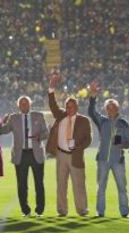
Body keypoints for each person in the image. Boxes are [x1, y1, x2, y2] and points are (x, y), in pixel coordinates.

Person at [46, 73, 92, 217]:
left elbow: (88, 139)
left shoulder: (84, 120)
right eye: (67, 106)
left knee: (79, 185)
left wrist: (77, 146)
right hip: (61, 155)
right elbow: (52, 104)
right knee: (61, 185)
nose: (69, 109)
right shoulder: (61, 115)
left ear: (76, 107)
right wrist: (51, 87)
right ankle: (62, 210)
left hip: (76, 155)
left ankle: (82, 209)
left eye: (72, 106)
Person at [0, 96, 48, 217]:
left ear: (30, 104)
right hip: (20, 154)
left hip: (35, 153)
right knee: (22, 184)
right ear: (18, 106)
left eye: (26, 103)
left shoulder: (38, 115)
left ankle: (39, 210)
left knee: (39, 183)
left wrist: (39, 137)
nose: (24, 105)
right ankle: (25, 210)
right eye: (22, 104)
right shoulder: (14, 118)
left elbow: (46, 132)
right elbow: (2, 131)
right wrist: (3, 122)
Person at [88, 81, 129, 218]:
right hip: (102, 160)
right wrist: (93, 96)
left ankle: (124, 212)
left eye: (113, 108)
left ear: (117, 109)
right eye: (108, 108)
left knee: (122, 188)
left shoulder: (123, 123)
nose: (110, 110)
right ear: (106, 109)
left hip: (117, 161)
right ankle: (100, 212)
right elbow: (91, 112)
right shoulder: (102, 121)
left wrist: (122, 144)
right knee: (101, 188)